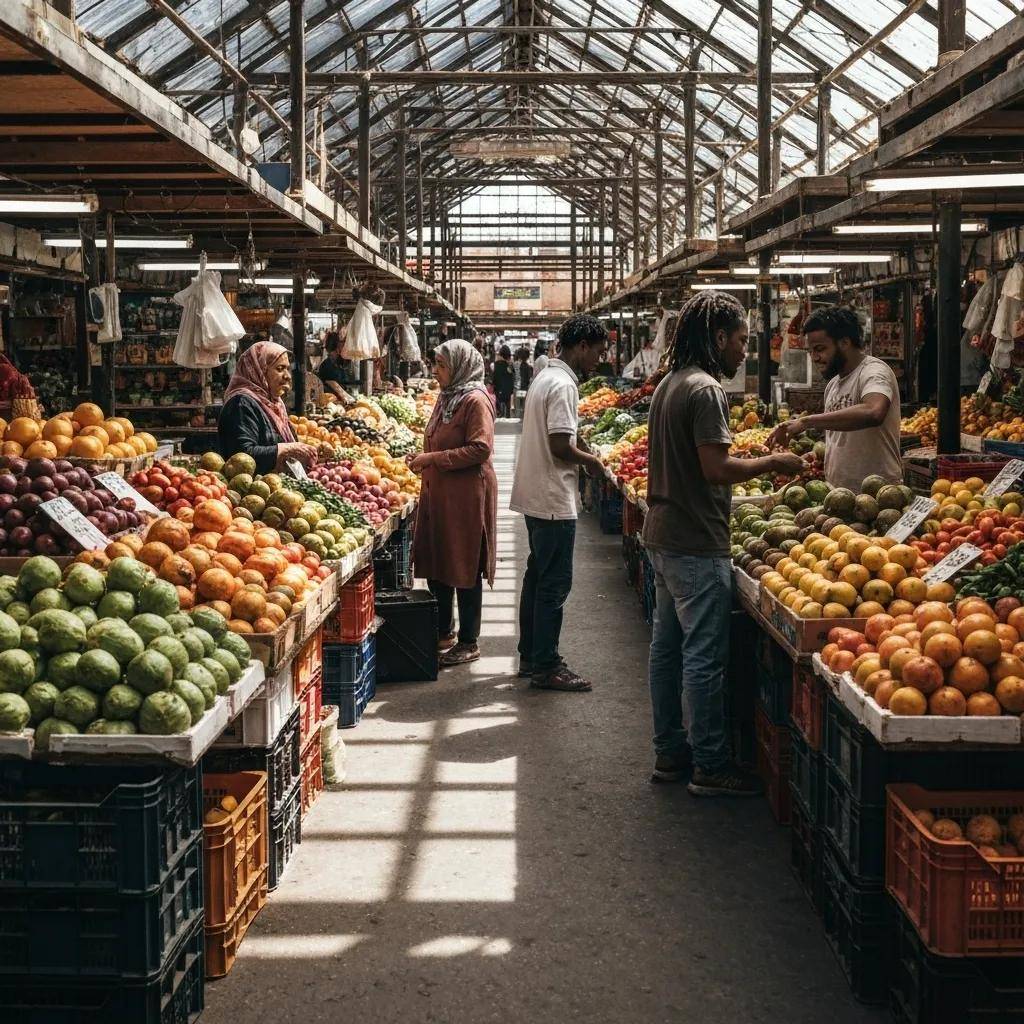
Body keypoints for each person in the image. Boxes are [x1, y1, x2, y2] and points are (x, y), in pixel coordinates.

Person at [643, 292, 804, 795]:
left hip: (664, 536)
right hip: (695, 541)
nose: (744, 350)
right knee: (702, 659)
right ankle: (710, 765)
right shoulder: (707, 389)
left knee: (666, 652)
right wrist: (772, 465)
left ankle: (671, 753)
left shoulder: (669, 384)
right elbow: (716, 469)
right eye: (741, 340)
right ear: (718, 337)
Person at [511, 314, 608, 692]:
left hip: (535, 495)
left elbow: (561, 437)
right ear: (581, 346)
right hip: (553, 498)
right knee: (554, 584)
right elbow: (559, 445)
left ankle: (529, 655)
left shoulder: (544, 378)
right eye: (597, 353)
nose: (599, 360)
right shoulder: (565, 385)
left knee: (536, 579)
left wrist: (580, 448)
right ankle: (547, 665)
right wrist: (593, 463)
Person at [409, 340, 498, 668]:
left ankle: (469, 641)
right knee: (439, 561)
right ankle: (444, 630)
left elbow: (480, 449)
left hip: (465, 497)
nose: (435, 371)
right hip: (440, 493)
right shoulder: (447, 397)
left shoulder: (475, 401)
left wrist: (432, 457)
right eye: (434, 363)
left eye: (441, 365)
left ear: (460, 365)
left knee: (464, 563)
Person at [768, 305, 902, 493]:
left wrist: (806, 422)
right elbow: (843, 440)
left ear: (844, 342)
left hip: (879, 495)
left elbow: (874, 412)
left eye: (820, 349)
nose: (814, 357)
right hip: (839, 494)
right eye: (810, 351)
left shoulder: (873, 372)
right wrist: (816, 457)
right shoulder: (833, 385)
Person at [218, 340, 317, 474]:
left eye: (287, 369)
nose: (287, 376)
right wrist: (285, 449)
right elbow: (242, 456)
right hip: (251, 490)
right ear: (260, 370)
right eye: (280, 369)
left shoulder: (274, 404)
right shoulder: (241, 403)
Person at [316, 332, 357, 406]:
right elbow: (337, 387)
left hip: (341, 403)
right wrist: (349, 398)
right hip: (330, 404)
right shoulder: (327, 365)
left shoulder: (340, 363)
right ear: (337, 348)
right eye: (343, 344)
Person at [492, 345, 516, 418]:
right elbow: (513, 377)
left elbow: (494, 377)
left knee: (498, 407)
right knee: (507, 405)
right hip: (508, 390)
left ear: (500, 354)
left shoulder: (495, 365)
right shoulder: (510, 366)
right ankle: (508, 416)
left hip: (498, 389)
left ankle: (499, 416)